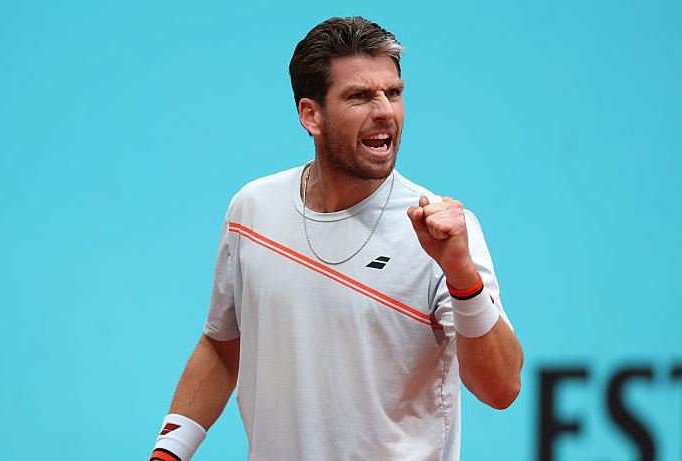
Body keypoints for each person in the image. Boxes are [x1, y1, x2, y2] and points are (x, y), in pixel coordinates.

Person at [150, 16, 524, 461]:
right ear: (312, 115)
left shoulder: (441, 232)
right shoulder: (252, 208)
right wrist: (169, 451)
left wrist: (461, 274)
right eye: (360, 96)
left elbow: (502, 388)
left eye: (394, 92)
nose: (385, 110)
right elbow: (222, 344)